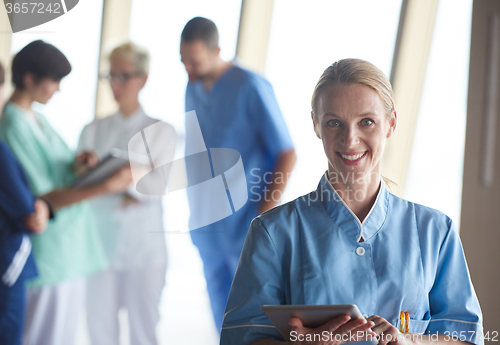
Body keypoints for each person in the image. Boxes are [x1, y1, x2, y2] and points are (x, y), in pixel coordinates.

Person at [220, 59, 483, 345]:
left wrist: (413, 342)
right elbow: (240, 340)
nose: (350, 139)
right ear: (316, 125)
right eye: (334, 122)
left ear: (391, 123)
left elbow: (467, 338)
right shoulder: (271, 233)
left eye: (366, 122)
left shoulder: (436, 232)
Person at [0, 40, 132, 345]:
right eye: (54, 81)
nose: (58, 89)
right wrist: (104, 186)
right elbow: (42, 199)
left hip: (67, 251)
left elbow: (56, 170)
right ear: (30, 79)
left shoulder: (36, 117)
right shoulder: (11, 125)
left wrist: (78, 164)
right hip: (48, 252)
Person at [180, 16, 297, 332]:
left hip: (243, 228)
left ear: (217, 50)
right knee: (223, 322)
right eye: (183, 62)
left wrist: (265, 214)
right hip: (207, 230)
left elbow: (287, 152)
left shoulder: (251, 86)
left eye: (195, 61)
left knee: (253, 324)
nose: (188, 69)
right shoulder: (191, 89)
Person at [78, 41, 176, 345]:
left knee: (143, 334)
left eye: (123, 76)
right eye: (111, 76)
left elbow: (153, 188)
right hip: (98, 248)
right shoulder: (92, 130)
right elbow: (81, 187)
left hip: (144, 251)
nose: (115, 84)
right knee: (100, 332)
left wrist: (113, 182)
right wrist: (127, 175)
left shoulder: (162, 130)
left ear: (143, 79)